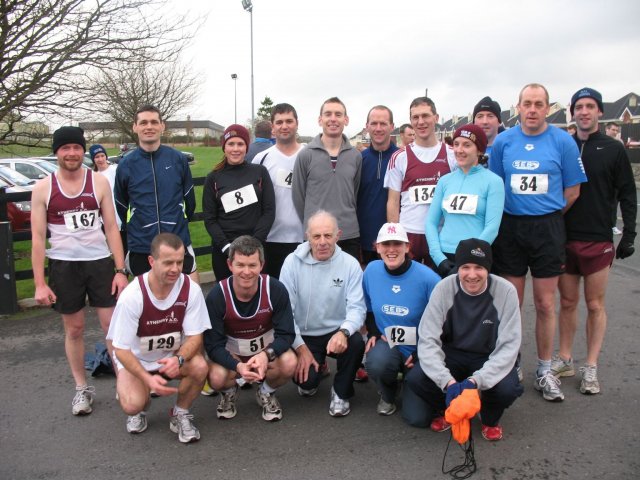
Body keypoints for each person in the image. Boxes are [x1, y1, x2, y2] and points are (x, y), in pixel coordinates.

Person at [489, 83, 587, 402]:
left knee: (545, 304)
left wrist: (546, 213)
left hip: (547, 228)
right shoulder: (503, 142)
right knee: (511, 304)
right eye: (527, 103)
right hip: (511, 228)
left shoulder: (563, 142)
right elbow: (496, 186)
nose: (532, 109)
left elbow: (572, 191)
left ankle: (545, 370)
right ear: (517, 107)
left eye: (539, 104)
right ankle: (511, 364)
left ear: (548, 108)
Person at [31, 126, 129, 415]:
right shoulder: (43, 188)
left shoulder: (98, 183)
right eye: (65, 148)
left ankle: (123, 381)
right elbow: (37, 237)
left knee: (112, 326)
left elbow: (112, 227)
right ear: (57, 152)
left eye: (76, 147)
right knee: (74, 329)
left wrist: (120, 270)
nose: (72, 153)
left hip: (99, 262)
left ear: (82, 150)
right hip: (64, 265)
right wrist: (39, 282)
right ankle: (81, 388)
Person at [553, 88, 637, 395]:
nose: (584, 112)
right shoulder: (563, 145)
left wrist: (629, 234)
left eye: (590, 107)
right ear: (572, 112)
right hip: (565, 237)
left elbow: (628, 193)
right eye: (579, 107)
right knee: (568, 302)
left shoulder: (613, 149)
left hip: (598, 240)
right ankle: (564, 359)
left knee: (595, 304)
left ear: (599, 112)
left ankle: (591, 366)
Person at [405, 239, 523, 441]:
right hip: (452, 351)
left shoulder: (506, 291)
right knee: (416, 378)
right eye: (465, 267)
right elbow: (428, 339)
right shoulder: (443, 289)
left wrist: (475, 381)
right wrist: (447, 382)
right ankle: (449, 410)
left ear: (488, 268)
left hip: (489, 354)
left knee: (507, 388)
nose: (472, 274)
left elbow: (509, 346)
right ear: (458, 268)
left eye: (479, 267)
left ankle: (489, 417)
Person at [107, 233, 210, 443]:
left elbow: (195, 337)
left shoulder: (191, 290)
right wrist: (147, 379)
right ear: (152, 261)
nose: (175, 269)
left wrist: (178, 359)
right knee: (133, 404)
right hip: (136, 360)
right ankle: (140, 402)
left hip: (170, 356)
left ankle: (180, 413)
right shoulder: (132, 296)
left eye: (180, 262)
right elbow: (121, 350)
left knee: (200, 366)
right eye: (168, 262)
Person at [279, 210, 366, 416]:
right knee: (306, 385)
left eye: (328, 235)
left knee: (355, 342)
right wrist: (300, 348)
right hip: (304, 335)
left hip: (335, 332)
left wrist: (344, 332)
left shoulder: (350, 264)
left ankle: (341, 392)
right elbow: (284, 313)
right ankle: (318, 367)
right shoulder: (291, 263)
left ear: (338, 235)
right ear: (307, 236)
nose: (322, 242)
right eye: (316, 236)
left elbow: (357, 308)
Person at [203, 236, 297, 421]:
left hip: (265, 352)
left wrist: (265, 355)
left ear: (261, 264)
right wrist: (236, 365)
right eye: (240, 265)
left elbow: (286, 334)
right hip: (233, 356)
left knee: (289, 363)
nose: (246, 272)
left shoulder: (275, 289)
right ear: (230, 265)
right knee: (215, 377)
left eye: (252, 265)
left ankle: (266, 392)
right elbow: (212, 345)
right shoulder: (217, 295)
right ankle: (229, 392)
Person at [362, 222, 440, 423]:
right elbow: (368, 305)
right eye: (385, 244)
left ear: (407, 247)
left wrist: (422, 351)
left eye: (397, 244)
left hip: (423, 348)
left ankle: (412, 381)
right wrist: (371, 332)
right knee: (376, 361)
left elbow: (443, 321)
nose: (391, 250)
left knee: (418, 419)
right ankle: (388, 393)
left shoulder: (429, 279)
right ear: (377, 248)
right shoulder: (371, 271)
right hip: (390, 344)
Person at [114, 105, 198, 280]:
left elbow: (190, 201)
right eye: (143, 122)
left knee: (188, 297)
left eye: (154, 122)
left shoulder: (178, 159)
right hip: (141, 245)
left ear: (162, 126)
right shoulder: (126, 165)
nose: (149, 127)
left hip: (177, 241)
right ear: (135, 127)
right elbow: (121, 205)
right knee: (146, 302)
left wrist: (177, 222)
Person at [384, 97, 457, 268]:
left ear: (436, 118)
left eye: (425, 116)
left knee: (439, 290)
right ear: (410, 121)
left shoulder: (452, 155)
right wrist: (395, 237)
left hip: (440, 235)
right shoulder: (399, 157)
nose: (421, 122)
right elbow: (393, 201)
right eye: (415, 117)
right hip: (410, 233)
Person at [426, 124, 505, 277]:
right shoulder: (444, 181)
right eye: (456, 144)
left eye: (467, 145)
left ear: (479, 150)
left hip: (476, 259)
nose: (459, 150)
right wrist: (438, 257)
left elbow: (492, 228)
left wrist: (470, 259)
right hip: (444, 257)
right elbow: (431, 222)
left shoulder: (493, 182)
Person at [202, 124, 275, 281]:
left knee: (256, 295)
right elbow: (209, 218)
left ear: (247, 147)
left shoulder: (260, 172)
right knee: (227, 297)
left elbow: (269, 211)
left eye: (240, 144)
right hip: (225, 251)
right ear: (224, 147)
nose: (236, 149)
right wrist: (227, 247)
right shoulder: (213, 178)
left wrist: (255, 243)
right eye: (231, 144)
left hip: (255, 248)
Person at [292, 97, 362, 260]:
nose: (333, 119)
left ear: (346, 120)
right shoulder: (305, 155)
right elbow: (298, 197)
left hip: (348, 233)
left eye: (338, 114)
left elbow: (355, 193)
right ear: (320, 119)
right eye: (328, 114)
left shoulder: (355, 156)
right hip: (317, 236)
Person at [252, 104, 305, 278]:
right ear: (272, 127)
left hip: (304, 239)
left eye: (289, 121)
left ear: (297, 123)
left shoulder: (309, 155)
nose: (284, 126)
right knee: (273, 294)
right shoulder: (261, 158)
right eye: (279, 122)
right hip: (271, 238)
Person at [357, 105, 399, 264]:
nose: (378, 128)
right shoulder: (359, 160)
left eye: (383, 123)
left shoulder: (402, 158)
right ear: (367, 126)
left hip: (395, 239)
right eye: (374, 124)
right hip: (365, 240)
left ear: (392, 127)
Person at [89, 144, 121, 230]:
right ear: (93, 159)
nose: (100, 159)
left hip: (122, 215)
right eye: (97, 157)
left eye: (102, 156)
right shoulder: (93, 177)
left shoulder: (116, 170)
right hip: (105, 219)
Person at [605, 121, 624, 235]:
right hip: (604, 180)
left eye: (617, 131)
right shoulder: (601, 142)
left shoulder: (619, 143)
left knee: (614, 204)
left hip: (614, 180)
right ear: (607, 129)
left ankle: (612, 226)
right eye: (613, 130)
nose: (615, 132)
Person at [472, 96, 503, 160]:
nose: (485, 122)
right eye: (480, 116)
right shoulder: (465, 151)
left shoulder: (509, 149)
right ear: (474, 122)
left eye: (490, 116)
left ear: (499, 122)